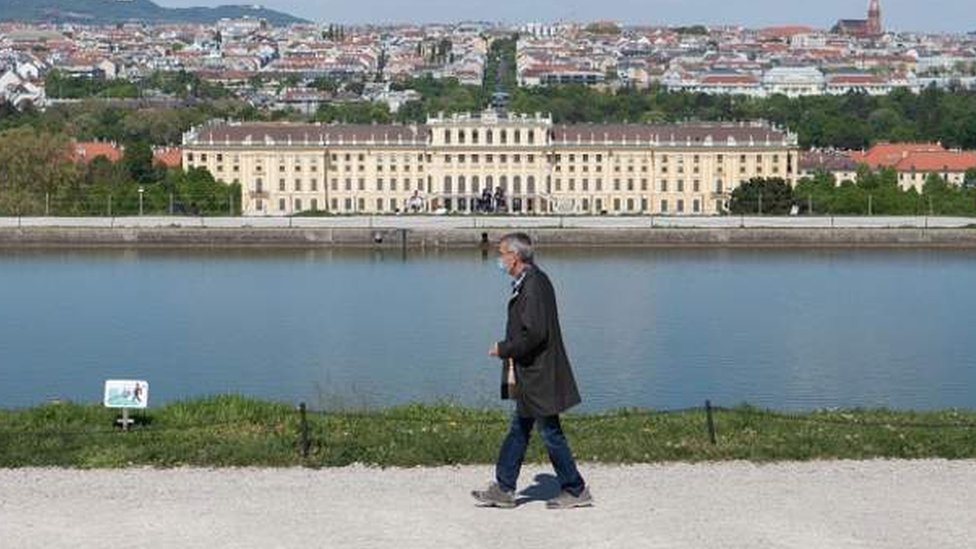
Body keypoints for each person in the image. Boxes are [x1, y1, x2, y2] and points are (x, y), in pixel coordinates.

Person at [471, 232, 593, 510]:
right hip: (533, 372)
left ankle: (574, 488)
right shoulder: (529, 281)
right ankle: (504, 488)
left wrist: (504, 348)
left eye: (502, 254)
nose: (499, 259)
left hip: (540, 373)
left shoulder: (534, 284)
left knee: (550, 431)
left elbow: (535, 333)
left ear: (515, 257)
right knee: (520, 428)